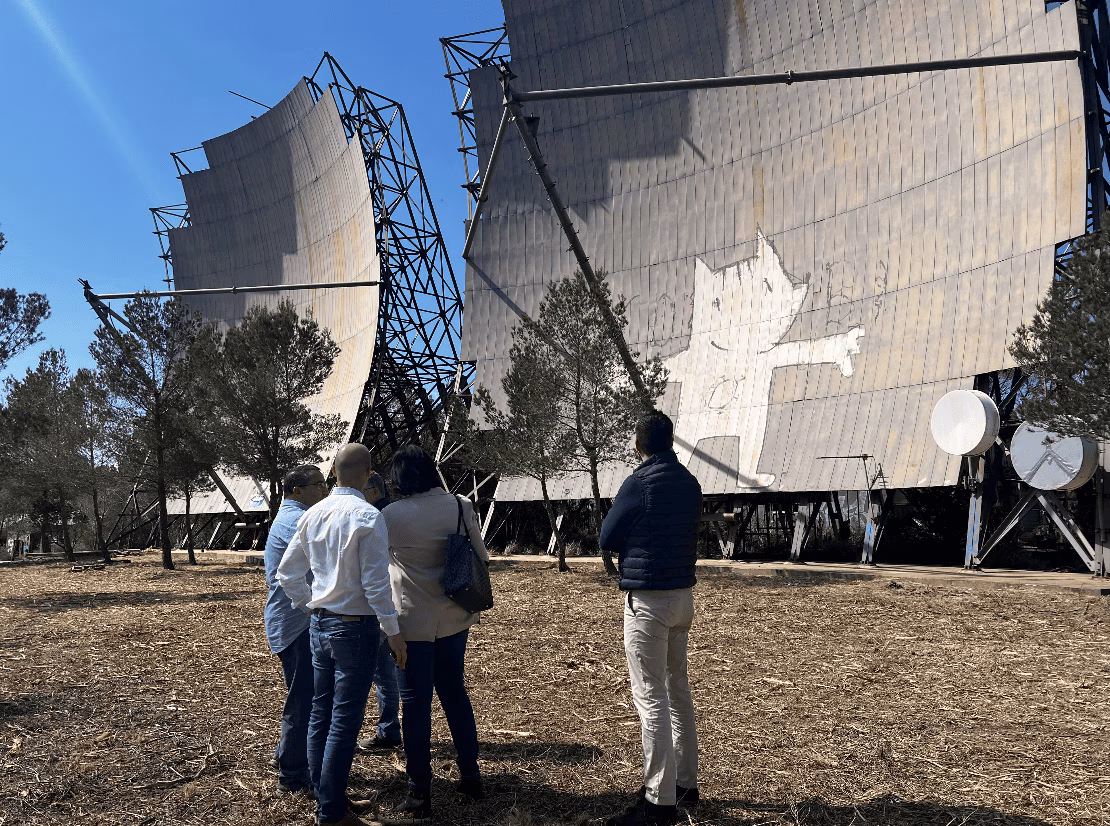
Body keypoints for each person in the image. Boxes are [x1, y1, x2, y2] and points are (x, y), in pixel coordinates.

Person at [277, 443, 407, 826]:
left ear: (333, 472)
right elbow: (376, 583)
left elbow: (287, 574)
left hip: (320, 624)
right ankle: (332, 813)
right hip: (355, 628)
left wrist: (311, 606)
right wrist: (393, 631)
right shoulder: (367, 515)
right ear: (368, 474)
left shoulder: (313, 514)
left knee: (321, 712)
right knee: (344, 720)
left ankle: (327, 798)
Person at [599, 411, 703, 826]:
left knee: (651, 698)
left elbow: (607, 536)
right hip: (683, 596)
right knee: (678, 688)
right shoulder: (691, 483)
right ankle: (684, 782)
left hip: (648, 601)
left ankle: (658, 802)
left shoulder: (638, 483)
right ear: (671, 440)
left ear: (639, 445)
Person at [382, 444, 488, 816]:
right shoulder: (460, 505)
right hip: (454, 616)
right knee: (455, 693)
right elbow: (483, 555)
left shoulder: (391, 515)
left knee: (414, 705)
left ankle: (419, 792)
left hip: (411, 622)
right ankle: (471, 775)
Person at [264, 464, 330, 794]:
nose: (326, 489)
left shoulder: (294, 515)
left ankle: (286, 756)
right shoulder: (298, 521)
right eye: (319, 484)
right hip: (297, 623)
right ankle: (291, 775)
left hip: (289, 621)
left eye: (326, 483)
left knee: (302, 694)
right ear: (297, 491)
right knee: (305, 700)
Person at [357, 471, 402, 752]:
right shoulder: (393, 513)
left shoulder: (376, 517)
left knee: (380, 671)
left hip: (380, 604)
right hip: (395, 600)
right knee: (387, 670)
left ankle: (388, 730)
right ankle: (389, 728)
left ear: (373, 491)